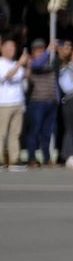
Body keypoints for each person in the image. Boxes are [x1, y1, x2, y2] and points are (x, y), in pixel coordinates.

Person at [24, 39, 60, 167]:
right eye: (38, 50)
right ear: (33, 52)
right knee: (34, 131)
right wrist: (48, 51)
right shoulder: (32, 62)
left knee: (47, 132)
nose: (41, 52)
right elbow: (37, 65)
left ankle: (46, 158)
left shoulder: (49, 60)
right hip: (37, 102)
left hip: (51, 102)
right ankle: (32, 158)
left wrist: (57, 98)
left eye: (42, 49)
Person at [0, 37, 24, 170]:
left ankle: (14, 160)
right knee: (1, 133)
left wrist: (28, 65)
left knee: (15, 133)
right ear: (2, 48)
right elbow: (7, 76)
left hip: (17, 102)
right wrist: (20, 64)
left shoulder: (15, 63)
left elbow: (21, 77)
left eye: (13, 47)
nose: (11, 50)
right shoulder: (1, 63)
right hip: (3, 103)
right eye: (8, 47)